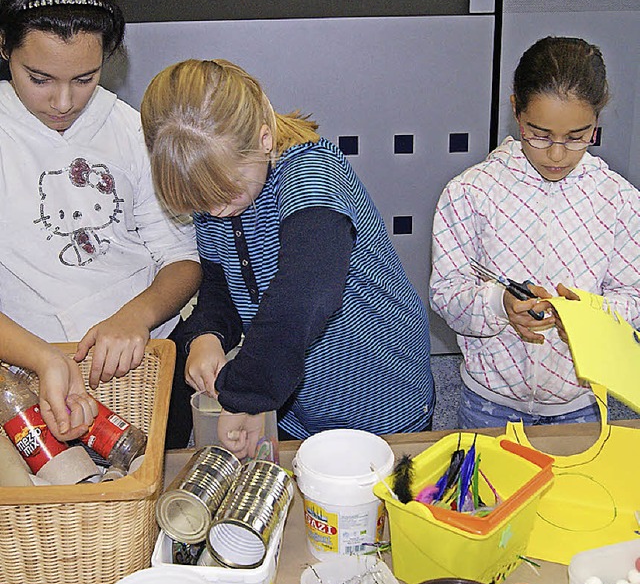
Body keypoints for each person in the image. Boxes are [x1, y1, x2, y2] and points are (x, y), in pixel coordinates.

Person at [141, 58, 434, 455]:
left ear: (264, 140)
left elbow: (305, 295)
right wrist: (206, 334)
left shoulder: (311, 174)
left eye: (225, 194)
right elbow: (220, 284)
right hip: (297, 405)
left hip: (381, 398)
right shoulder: (218, 191)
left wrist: (244, 396)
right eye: (200, 202)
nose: (216, 212)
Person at [0, 0, 201, 444]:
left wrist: (136, 316)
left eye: (85, 78)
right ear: (4, 47)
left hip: (145, 369)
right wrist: (44, 356)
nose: (63, 102)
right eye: (40, 79)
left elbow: (183, 260)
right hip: (22, 375)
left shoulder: (131, 129)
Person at [430, 36, 640, 429]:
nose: (557, 153)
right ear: (516, 111)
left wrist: (587, 316)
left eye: (577, 136)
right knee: (488, 492)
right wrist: (499, 304)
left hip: (579, 402)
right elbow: (445, 294)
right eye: (539, 134)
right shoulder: (471, 193)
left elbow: (634, 298)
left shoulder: (620, 200)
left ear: (597, 120)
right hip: (488, 401)